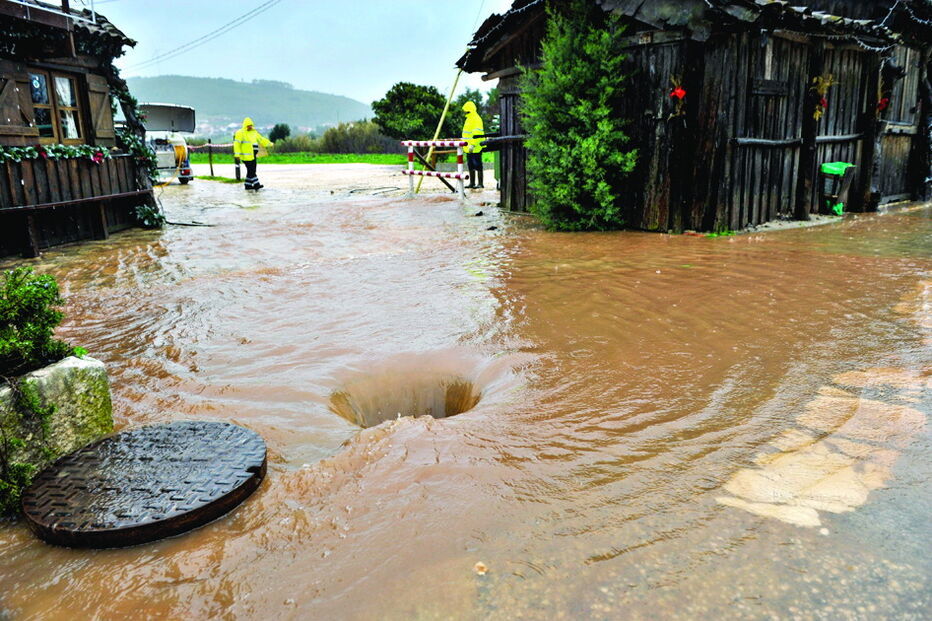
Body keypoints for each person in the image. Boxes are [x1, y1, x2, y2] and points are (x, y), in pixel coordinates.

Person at [233, 117, 273, 190]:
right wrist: (237, 155)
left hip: (253, 155)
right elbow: (237, 144)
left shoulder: (254, 132)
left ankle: (247, 185)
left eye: (251, 125)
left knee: (252, 170)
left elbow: (261, 139)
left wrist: (269, 143)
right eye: (248, 125)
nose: (250, 127)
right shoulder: (240, 133)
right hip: (245, 156)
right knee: (251, 170)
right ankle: (256, 184)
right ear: (245, 125)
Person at [461, 101, 484, 189]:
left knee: (477, 165)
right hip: (468, 147)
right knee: (470, 165)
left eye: (465, 110)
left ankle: (480, 183)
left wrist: (473, 145)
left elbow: (477, 133)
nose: (464, 112)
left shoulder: (476, 119)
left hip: (475, 147)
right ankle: (472, 183)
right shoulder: (469, 118)